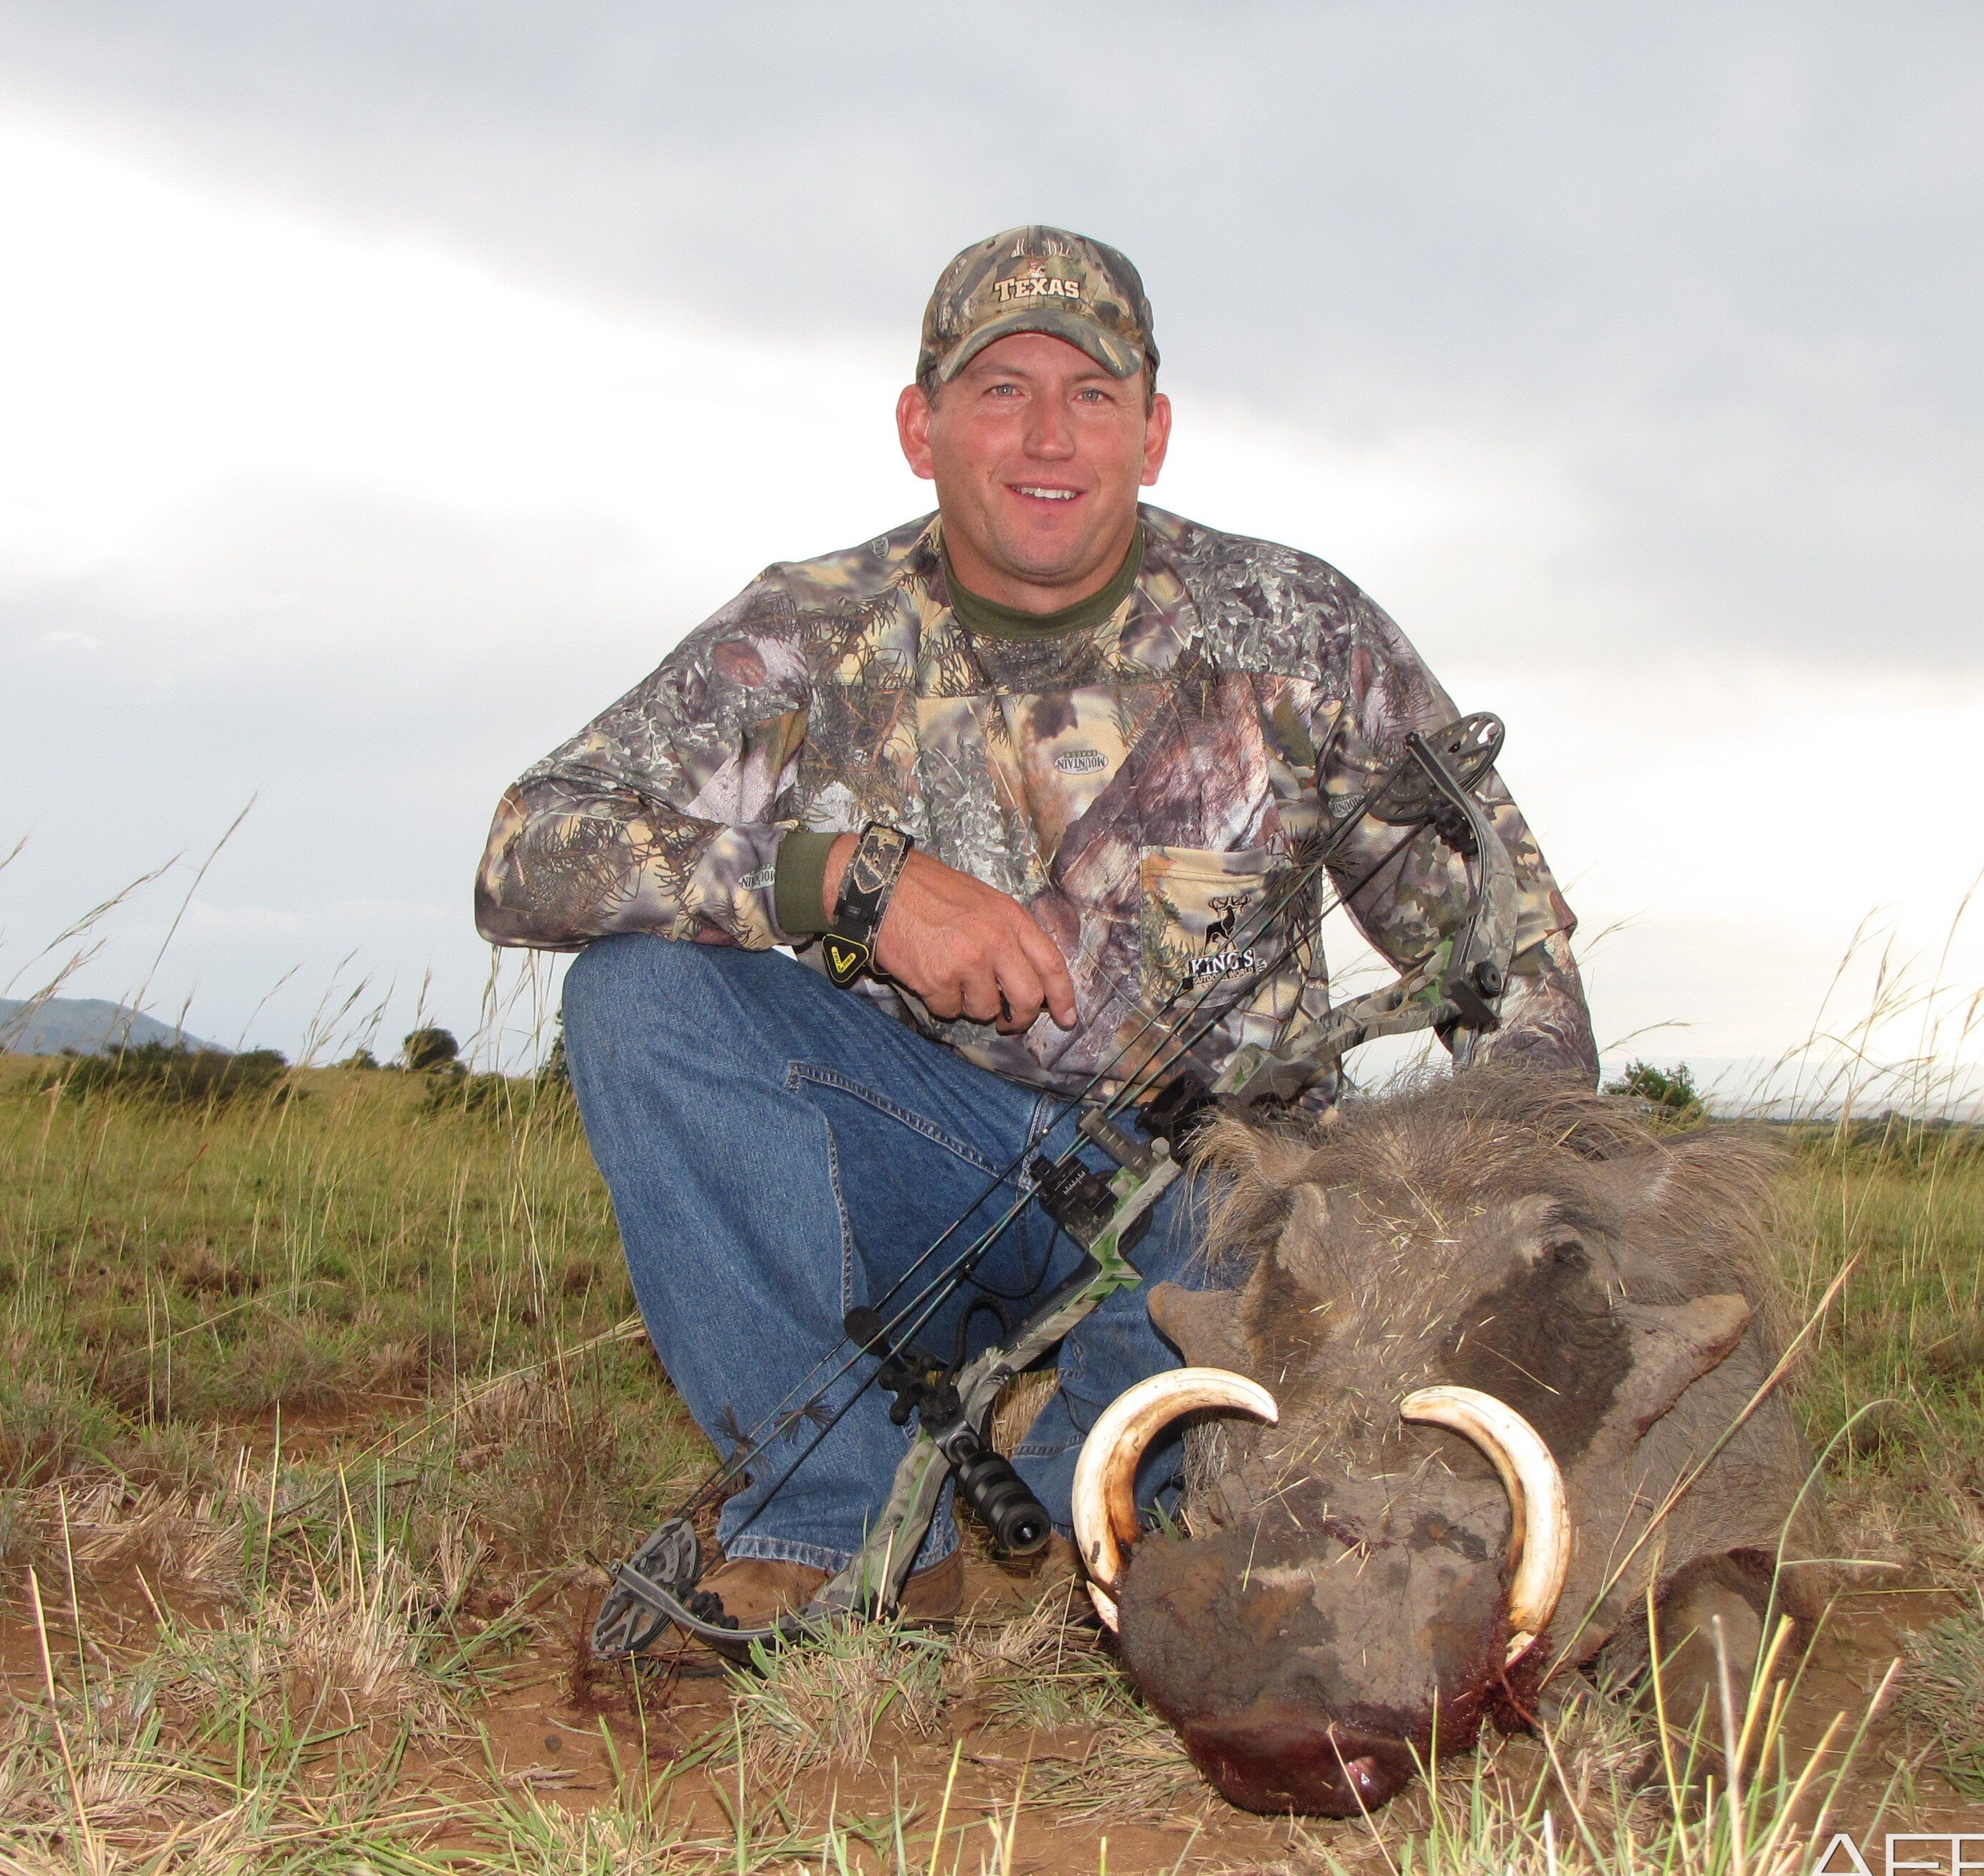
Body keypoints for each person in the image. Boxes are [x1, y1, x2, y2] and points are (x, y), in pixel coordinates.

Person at [475, 225, 1594, 1632]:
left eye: (1093, 393)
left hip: (1207, 1214)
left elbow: (1520, 972)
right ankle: (839, 1535)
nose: (1048, 435)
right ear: (919, 425)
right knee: (637, 998)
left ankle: (1090, 1507)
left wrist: (1432, 1247)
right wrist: (844, 884)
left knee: (1141, 1521)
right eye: (1000, 389)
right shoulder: (810, 632)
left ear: (1155, 431)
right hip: (911, 1189)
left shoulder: (1304, 632)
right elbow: (528, 848)